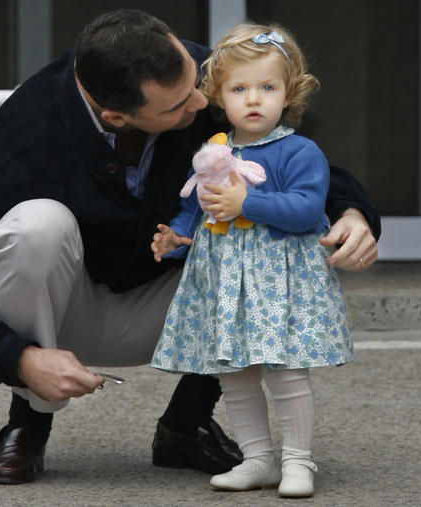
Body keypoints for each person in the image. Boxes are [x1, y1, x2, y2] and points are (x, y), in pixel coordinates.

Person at [0, 9, 380, 485]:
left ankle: (186, 425)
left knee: (259, 254)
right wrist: (18, 359)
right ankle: (30, 420)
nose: (201, 100)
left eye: (198, 82)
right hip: (68, 308)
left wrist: (353, 213)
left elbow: (293, 164)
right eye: (178, 106)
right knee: (35, 228)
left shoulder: (201, 77)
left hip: (172, 305)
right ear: (117, 116)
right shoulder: (28, 130)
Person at [151, 23, 356, 498]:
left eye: (268, 87)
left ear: (290, 93)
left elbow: (308, 210)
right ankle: (258, 458)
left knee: (284, 372)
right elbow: (195, 205)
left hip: (278, 281)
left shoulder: (300, 151)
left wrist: (248, 203)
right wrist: (177, 235)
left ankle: (298, 461)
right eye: (239, 89)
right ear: (219, 97)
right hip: (226, 280)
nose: (254, 99)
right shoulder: (214, 151)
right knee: (235, 375)